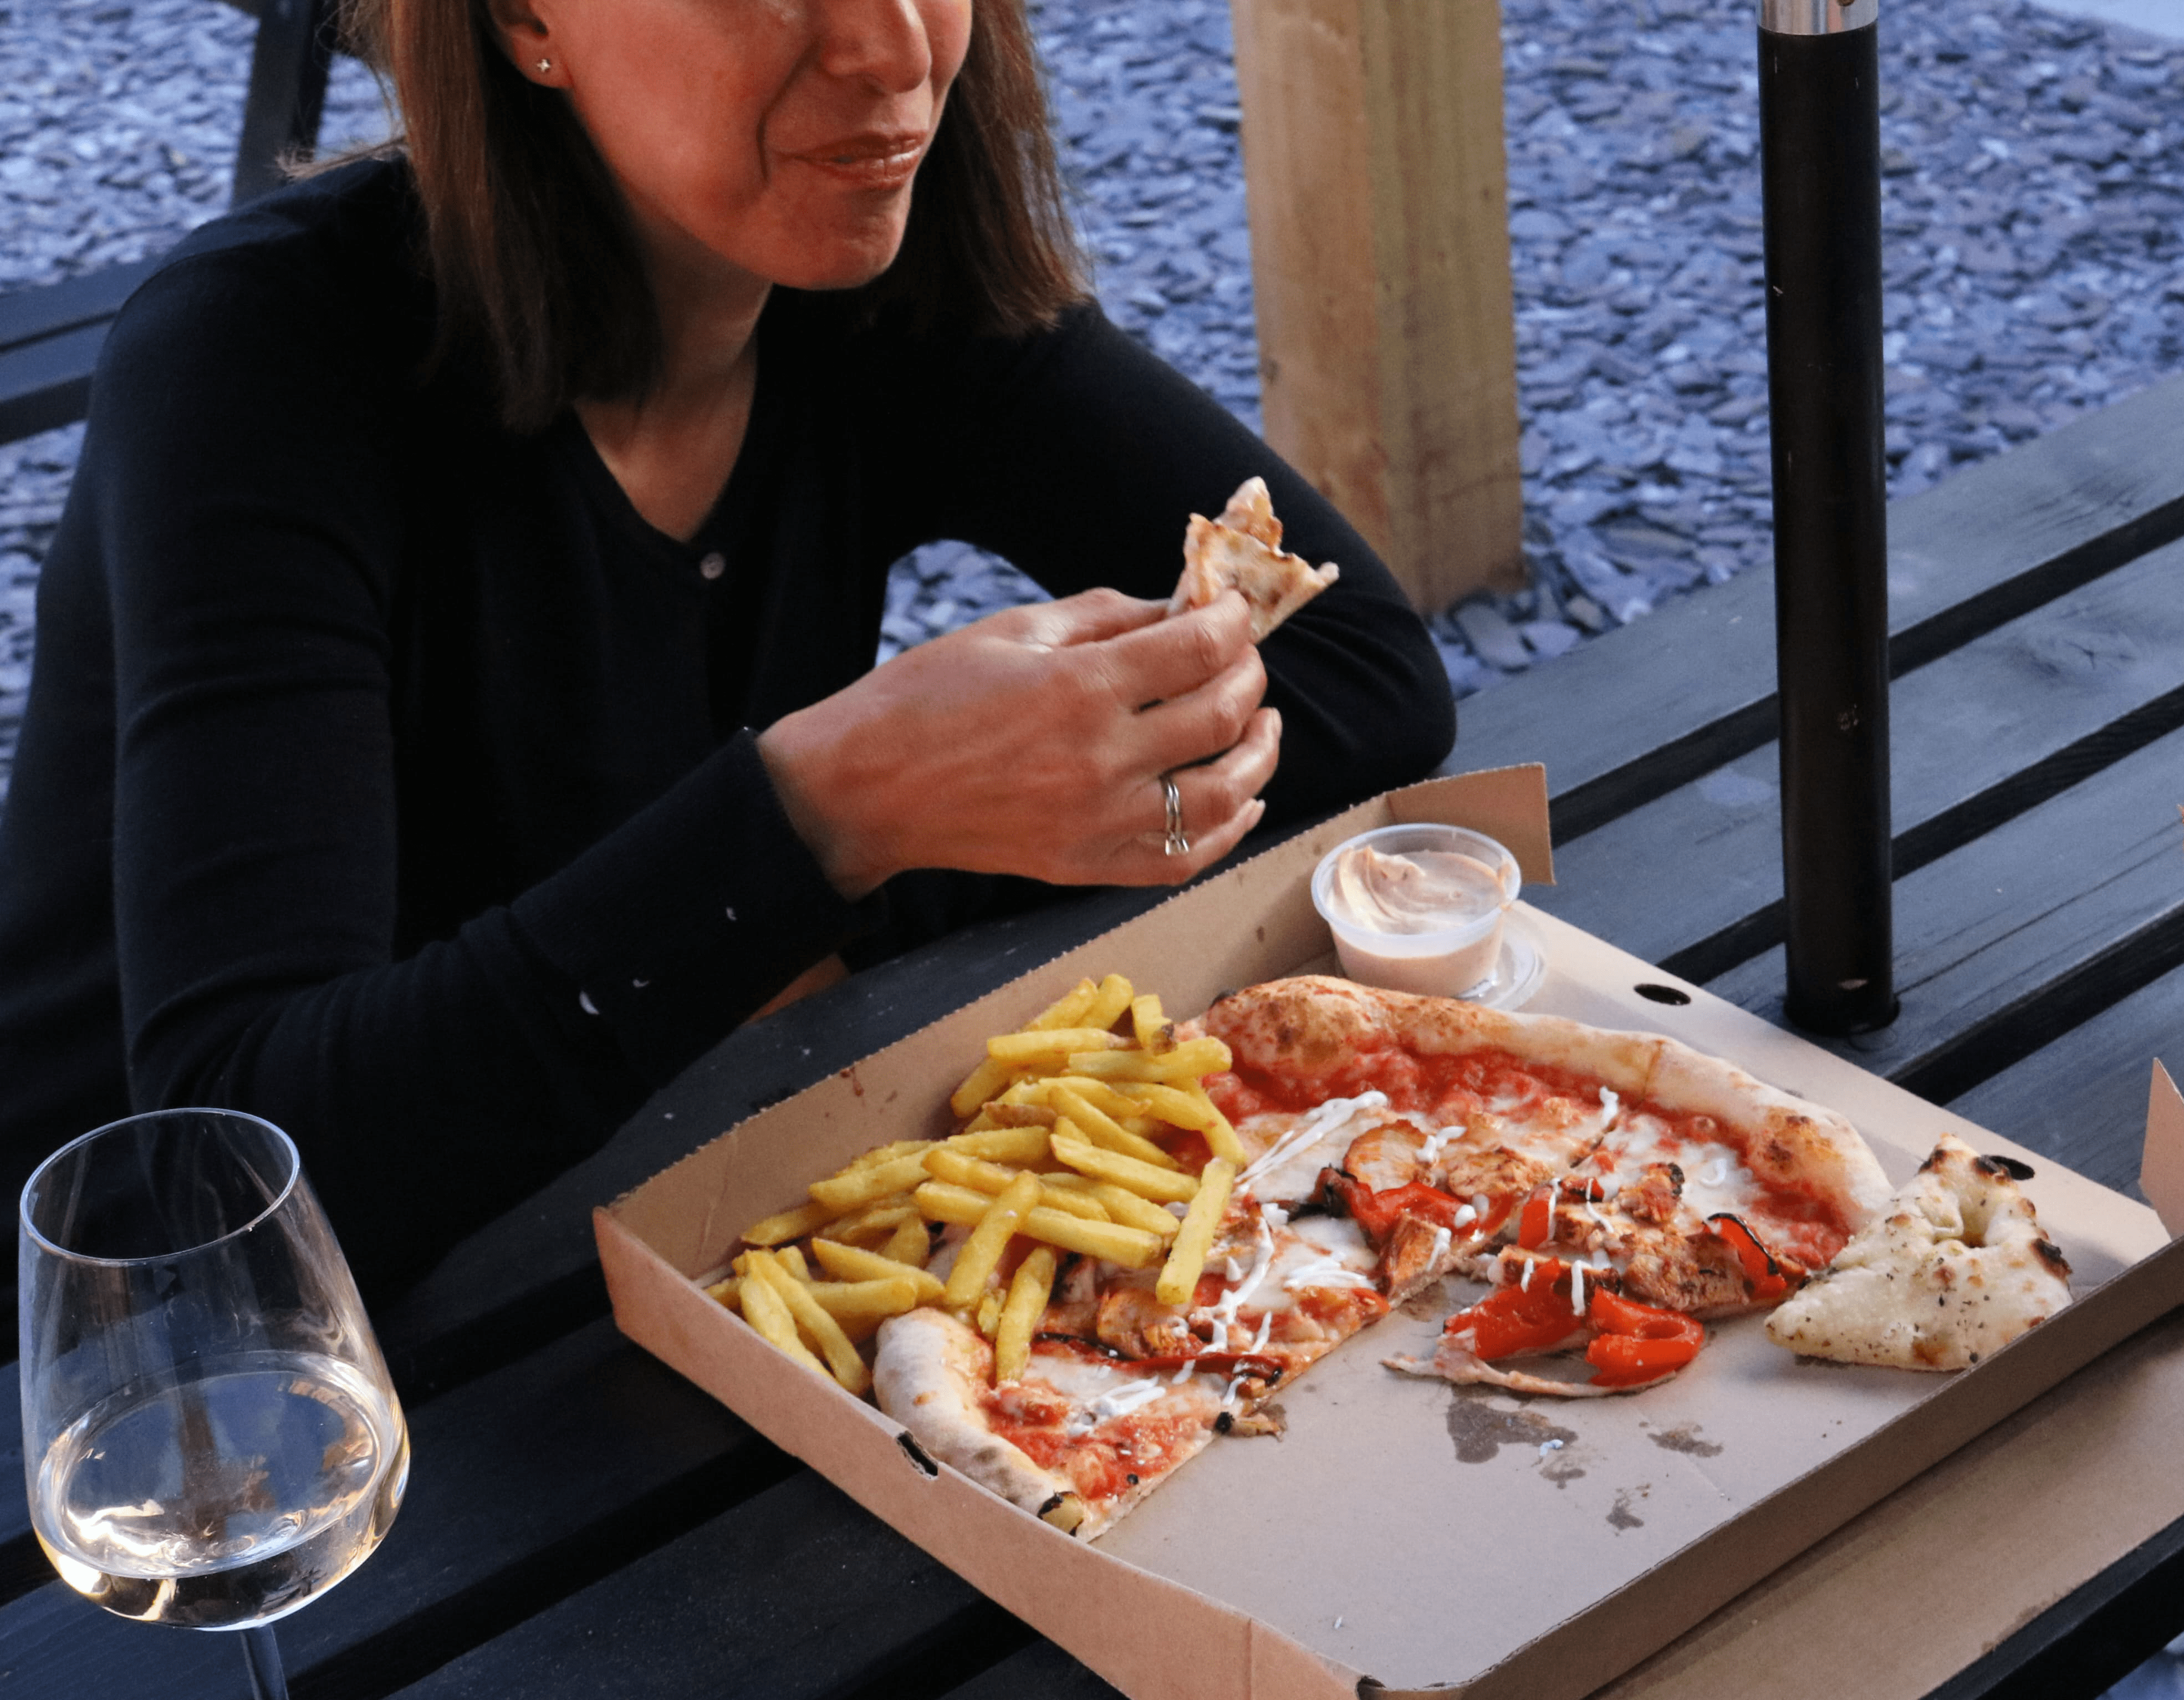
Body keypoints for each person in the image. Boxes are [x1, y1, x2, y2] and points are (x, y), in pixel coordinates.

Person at [0, 0, 1453, 1294]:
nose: (894, 47)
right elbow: (235, 1166)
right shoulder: (257, 359)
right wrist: (821, 821)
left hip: (639, 1198)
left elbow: (1365, 674)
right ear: (522, 21)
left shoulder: (876, 272)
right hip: (153, 1360)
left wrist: (861, 869)